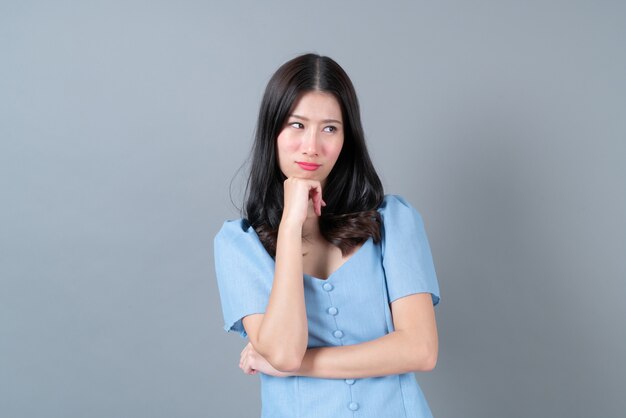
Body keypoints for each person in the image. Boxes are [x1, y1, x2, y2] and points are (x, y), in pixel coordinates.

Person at [214, 53, 441, 418]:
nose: (312, 146)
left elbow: (421, 349)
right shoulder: (238, 246)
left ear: (347, 139)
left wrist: (297, 365)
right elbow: (284, 352)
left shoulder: (393, 221)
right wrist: (290, 229)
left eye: (330, 128)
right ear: (272, 131)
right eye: (297, 125)